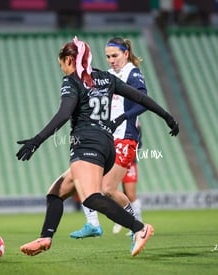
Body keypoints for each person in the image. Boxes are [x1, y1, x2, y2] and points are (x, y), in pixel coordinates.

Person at [16, 36, 179, 257]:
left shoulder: (72, 81)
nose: (62, 68)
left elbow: (64, 114)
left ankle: (139, 228)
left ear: (69, 60)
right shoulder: (105, 78)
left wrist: (36, 140)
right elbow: (141, 97)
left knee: (92, 196)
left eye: (61, 63)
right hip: (107, 145)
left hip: (88, 144)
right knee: (55, 194)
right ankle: (45, 237)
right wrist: (168, 117)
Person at [70, 37, 147, 238]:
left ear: (126, 54)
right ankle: (93, 224)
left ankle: (137, 226)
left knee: (109, 189)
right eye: (108, 56)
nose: (111, 60)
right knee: (84, 180)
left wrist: (122, 117)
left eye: (115, 55)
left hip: (125, 137)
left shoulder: (133, 73)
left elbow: (143, 101)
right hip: (106, 138)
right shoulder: (108, 76)